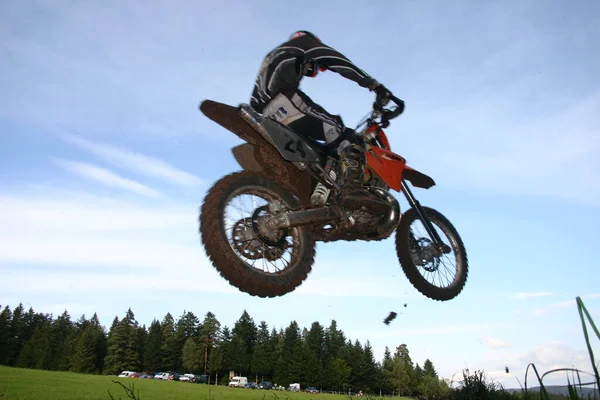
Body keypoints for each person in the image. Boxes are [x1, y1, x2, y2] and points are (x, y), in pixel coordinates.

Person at [249, 30, 391, 215]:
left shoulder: (274, 55)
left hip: (264, 114)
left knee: (317, 150)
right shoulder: (303, 42)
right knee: (346, 135)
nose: (312, 70)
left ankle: (317, 195)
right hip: (284, 101)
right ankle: (352, 191)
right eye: (314, 68)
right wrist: (374, 85)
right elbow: (335, 60)